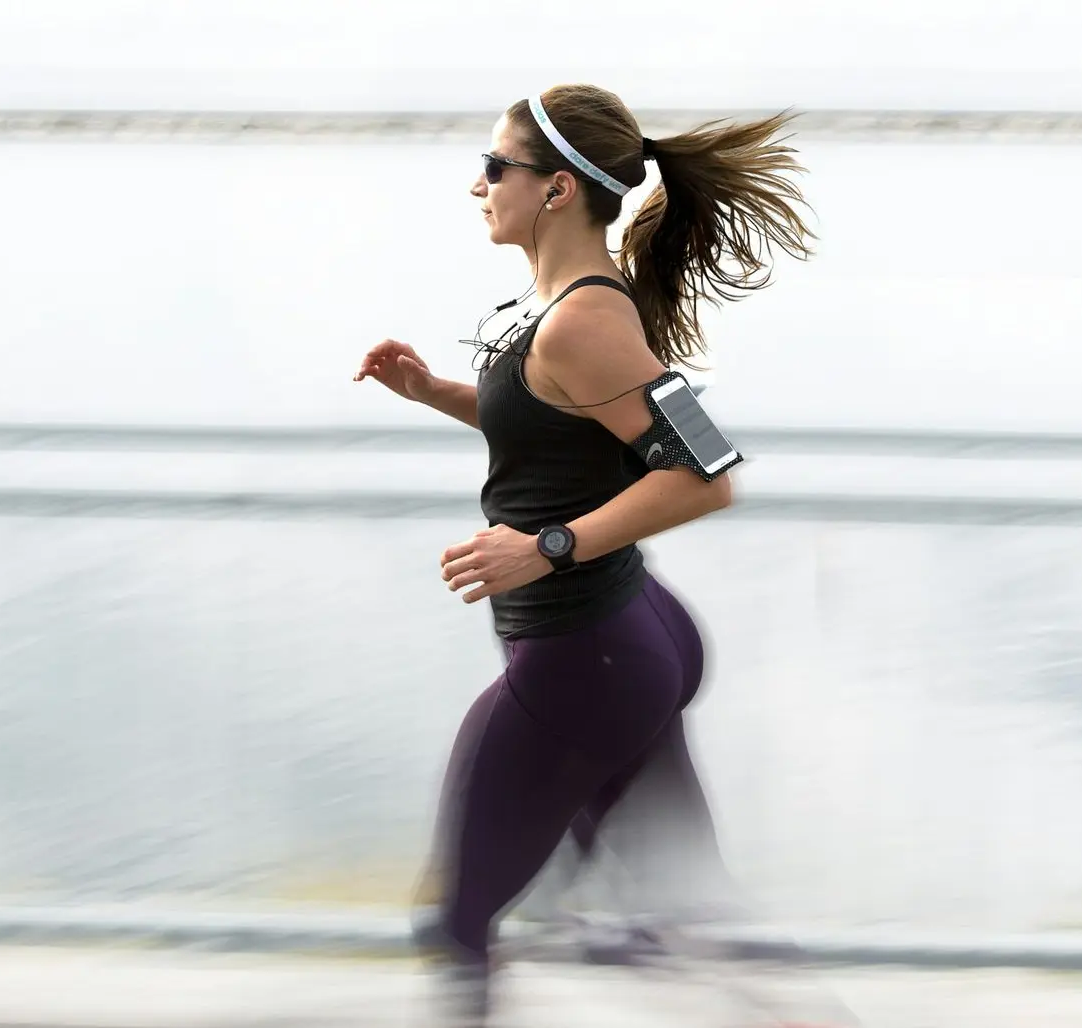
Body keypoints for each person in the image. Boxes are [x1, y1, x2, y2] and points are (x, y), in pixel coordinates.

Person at [353, 83, 813, 1025]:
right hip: (624, 640)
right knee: (688, 920)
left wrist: (547, 548)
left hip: (589, 655)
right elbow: (564, 425)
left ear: (557, 188)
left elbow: (704, 474)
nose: (476, 185)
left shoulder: (583, 317)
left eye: (494, 166)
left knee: (459, 926)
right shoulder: (563, 307)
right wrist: (434, 391)